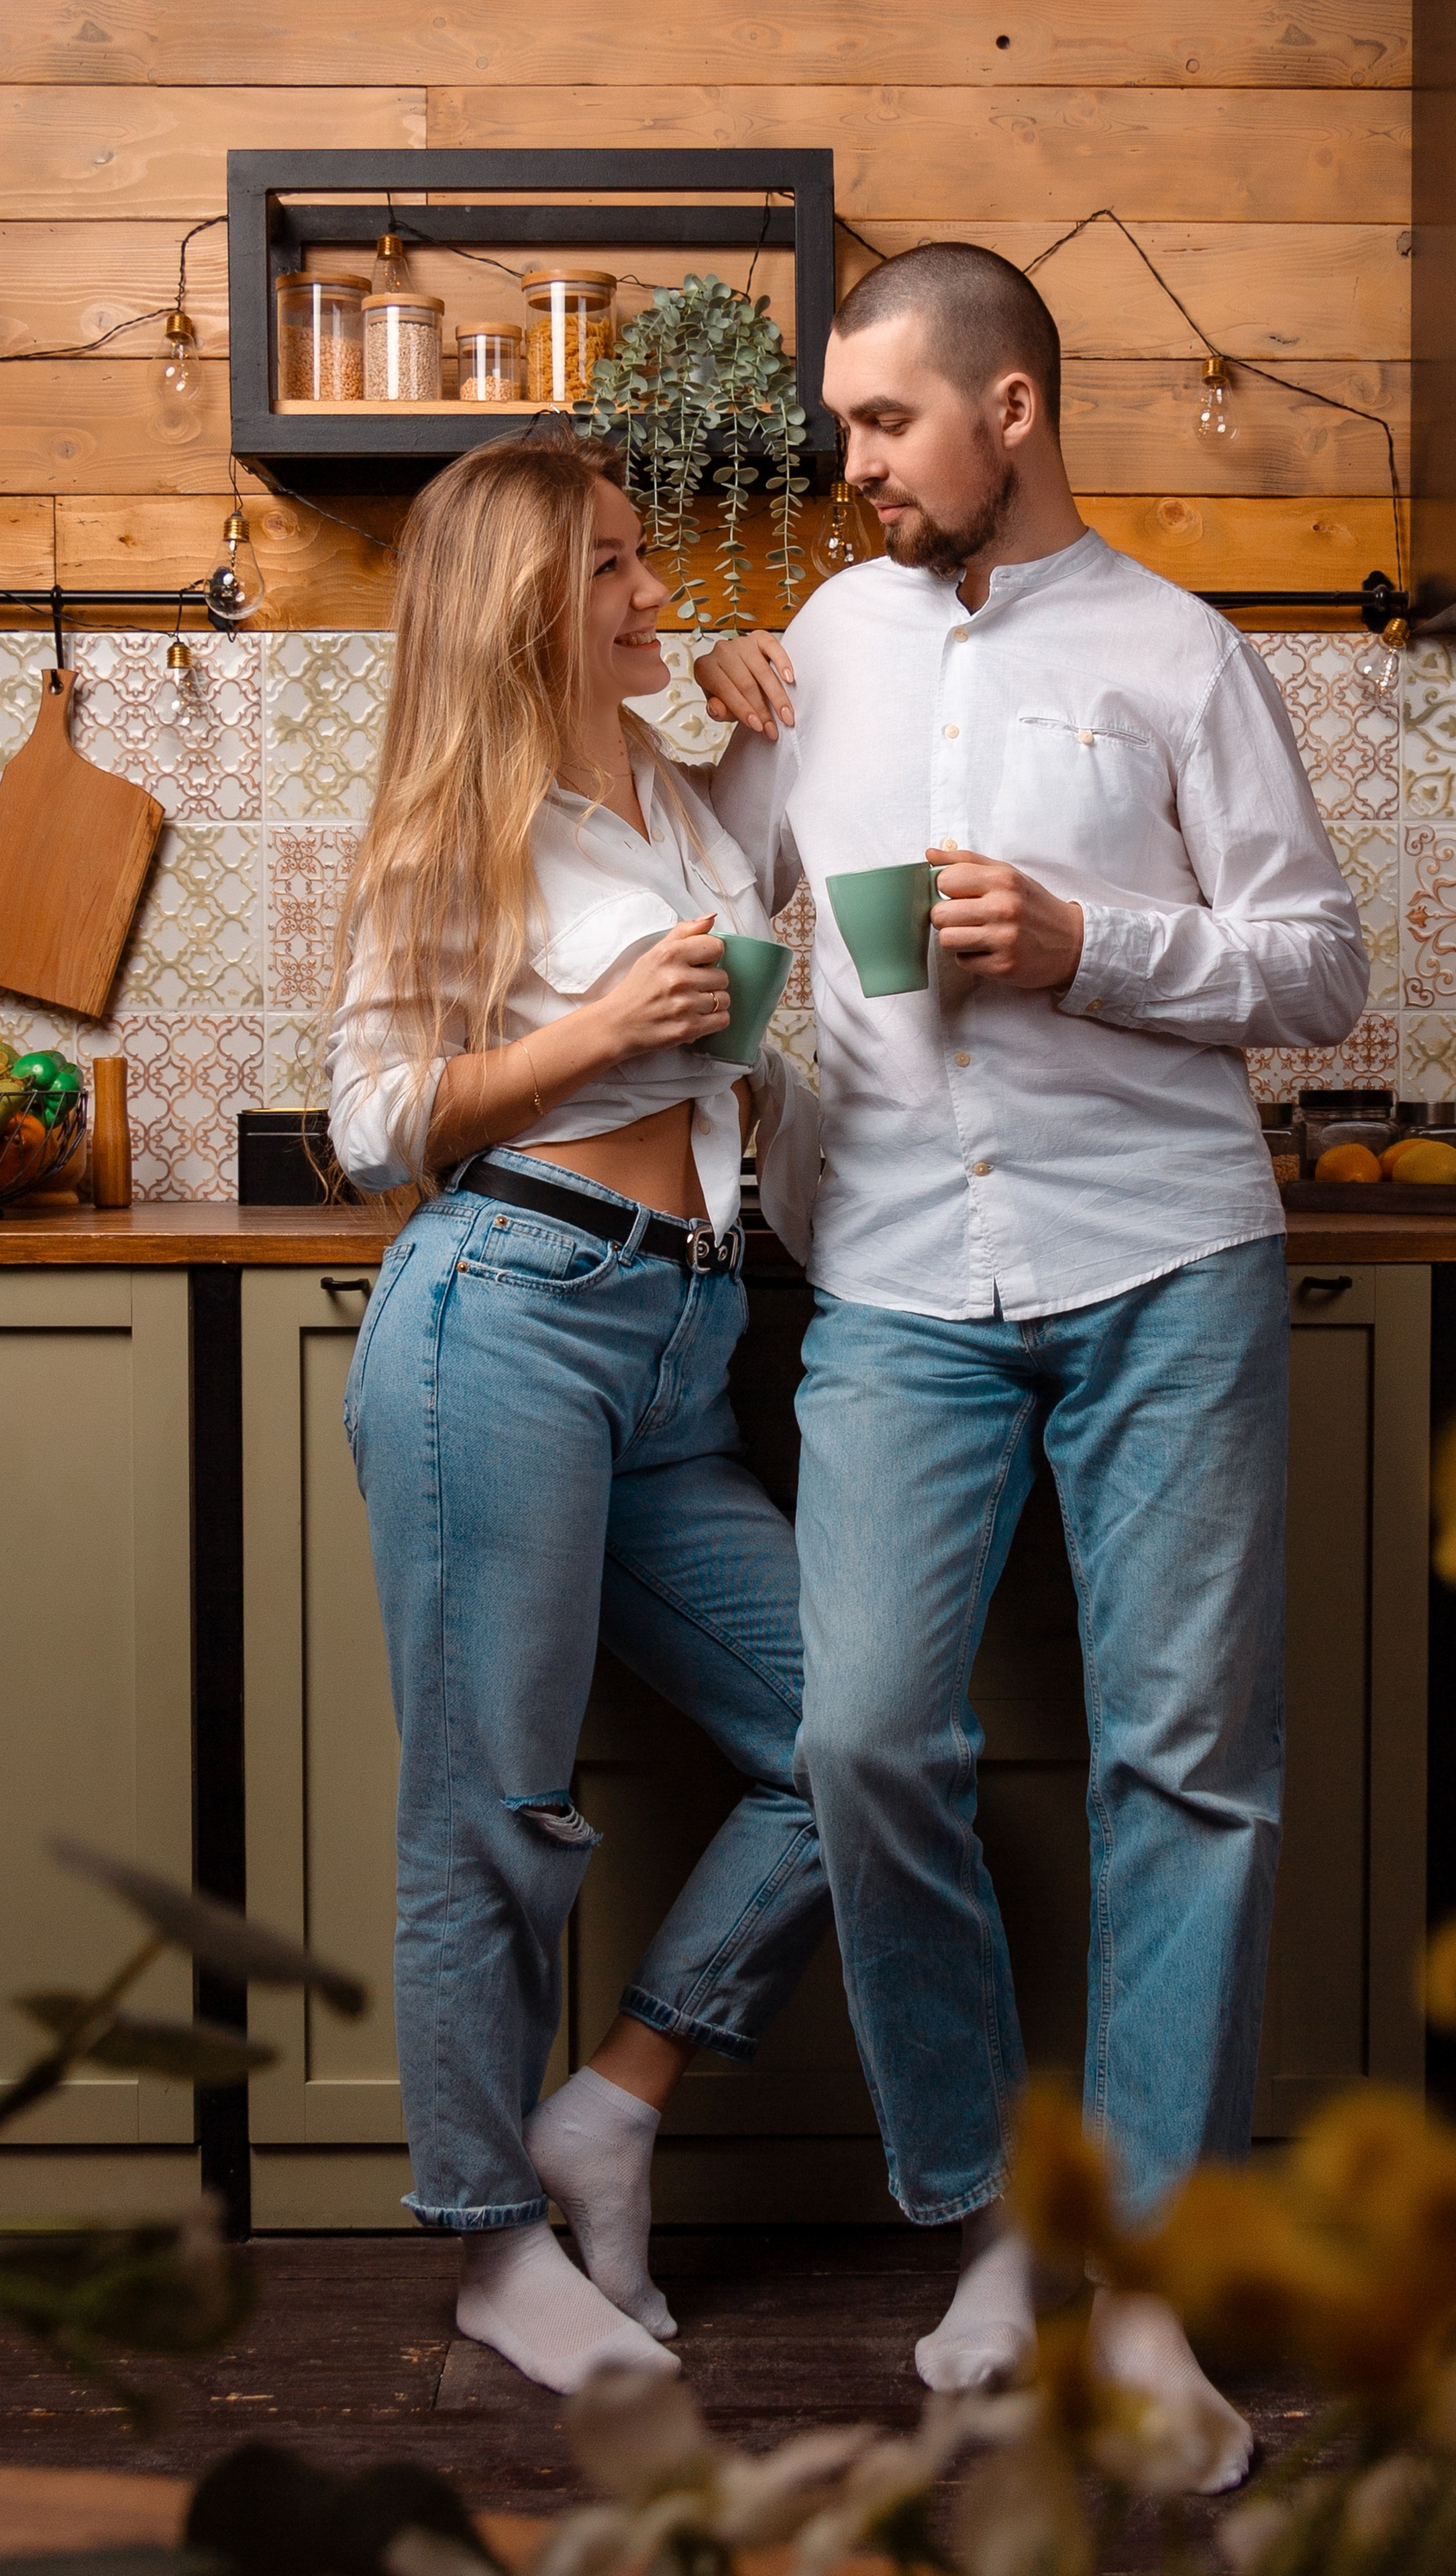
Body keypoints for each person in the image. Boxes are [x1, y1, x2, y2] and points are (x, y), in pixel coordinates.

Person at [697, 242, 1368, 2483]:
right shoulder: (817, 647)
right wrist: (691, 709)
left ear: (1012, 410)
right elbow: (721, 905)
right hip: (895, 1277)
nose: (854, 465)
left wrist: (1096, 946)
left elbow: (1319, 966)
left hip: (1165, 1261)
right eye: (843, 426)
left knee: (1188, 1767)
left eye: (885, 422)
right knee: (867, 1735)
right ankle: (996, 2210)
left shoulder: (1181, 651)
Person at [326, 433, 827, 2396]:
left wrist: (769, 699)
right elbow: (376, 1123)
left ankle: (610, 2107)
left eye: (645, 558)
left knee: (859, 1745)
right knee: (495, 1810)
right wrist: (592, 1040)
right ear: (522, 603)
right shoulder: (457, 826)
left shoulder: (682, 800)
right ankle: (486, 2242)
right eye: (612, 566)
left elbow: (779, 893)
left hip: (685, 1340)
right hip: (507, 1319)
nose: (655, 595)